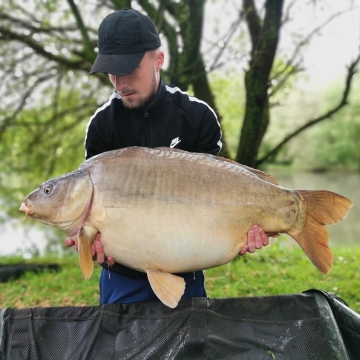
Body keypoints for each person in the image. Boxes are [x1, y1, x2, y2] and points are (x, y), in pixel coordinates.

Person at [65, 9, 269, 305]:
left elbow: (219, 196)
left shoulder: (197, 117)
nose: (120, 83)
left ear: (158, 60)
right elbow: (94, 214)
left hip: (187, 268)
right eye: (112, 71)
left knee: (191, 349)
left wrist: (243, 228)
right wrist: (88, 242)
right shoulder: (101, 126)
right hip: (120, 275)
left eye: (129, 69)